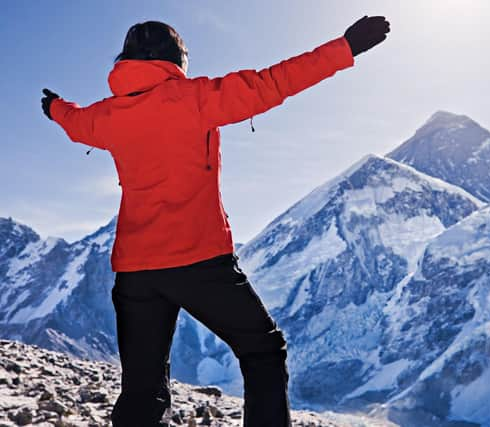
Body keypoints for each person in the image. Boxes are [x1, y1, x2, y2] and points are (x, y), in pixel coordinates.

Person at [41, 15, 390, 427]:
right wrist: (344, 47)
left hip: (135, 269)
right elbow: (274, 82)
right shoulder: (196, 97)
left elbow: (75, 122)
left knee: (142, 386)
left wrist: (53, 106)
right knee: (263, 351)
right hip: (198, 259)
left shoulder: (107, 115)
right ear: (176, 59)